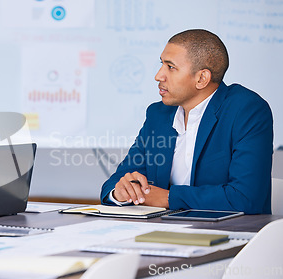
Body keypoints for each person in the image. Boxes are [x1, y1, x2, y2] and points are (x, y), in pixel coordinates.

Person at [101, 29, 273, 214]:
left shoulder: (247, 110)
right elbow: (116, 181)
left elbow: (245, 198)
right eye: (161, 64)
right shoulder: (157, 114)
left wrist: (168, 198)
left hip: (230, 234)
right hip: (164, 233)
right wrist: (120, 192)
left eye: (170, 67)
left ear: (201, 78)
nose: (158, 76)